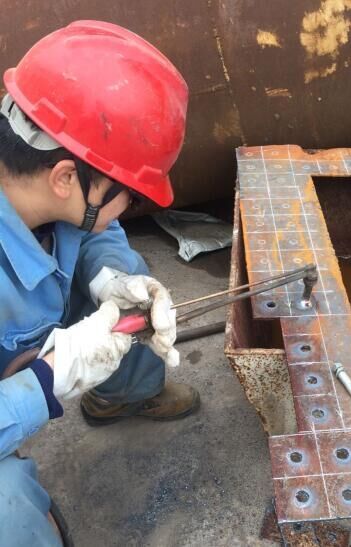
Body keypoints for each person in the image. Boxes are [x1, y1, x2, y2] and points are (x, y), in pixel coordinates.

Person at [0, 20, 198, 545]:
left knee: (130, 286)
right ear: (66, 177)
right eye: (129, 195)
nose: (128, 208)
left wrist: (112, 278)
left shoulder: (37, 184)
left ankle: (123, 395)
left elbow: (94, 233)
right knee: (7, 510)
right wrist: (50, 378)